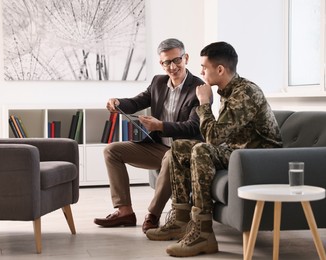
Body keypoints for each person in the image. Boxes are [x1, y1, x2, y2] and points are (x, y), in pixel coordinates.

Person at [146, 41, 282, 257]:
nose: (200, 71)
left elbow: (213, 137)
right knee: (179, 147)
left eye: (204, 67)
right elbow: (219, 136)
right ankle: (180, 221)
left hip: (259, 158)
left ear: (219, 69)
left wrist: (203, 104)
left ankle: (203, 234)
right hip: (240, 153)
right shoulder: (229, 91)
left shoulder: (245, 93)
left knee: (201, 150)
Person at [93, 38, 205, 233]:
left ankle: (153, 214)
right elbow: (137, 102)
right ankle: (124, 212)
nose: (172, 67)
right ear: (161, 64)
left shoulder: (198, 88)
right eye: (166, 62)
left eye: (176, 60)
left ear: (186, 58)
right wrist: (118, 103)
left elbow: (193, 126)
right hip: (159, 148)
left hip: (184, 152)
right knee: (112, 151)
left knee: (172, 156)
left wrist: (160, 125)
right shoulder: (158, 82)